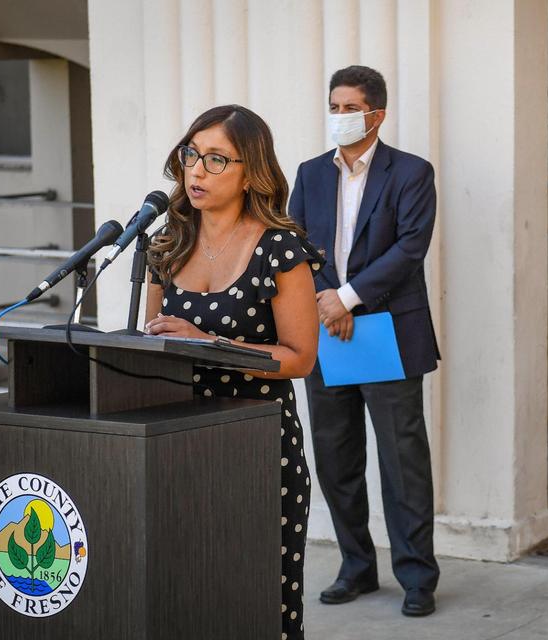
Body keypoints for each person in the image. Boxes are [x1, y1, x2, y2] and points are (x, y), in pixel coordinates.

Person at [142, 104, 323, 640]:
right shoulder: (165, 246)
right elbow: (148, 337)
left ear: (252, 173)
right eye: (191, 154)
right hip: (174, 441)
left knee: (260, 596)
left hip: (257, 446)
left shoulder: (280, 250)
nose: (196, 169)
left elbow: (299, 358)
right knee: (184, 590)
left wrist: (212, 343)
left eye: (216, 160)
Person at [289, 65, 440, 617]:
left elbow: (410, 248)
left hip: (388, 332)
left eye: (350, 107)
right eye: (334, 105)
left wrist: (347, 297)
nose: (339, 116)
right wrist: (327, 301)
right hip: (326, 333)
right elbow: (296, 246)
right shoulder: (309, 173)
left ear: (376, 113)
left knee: (403, 460)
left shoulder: (411, 173)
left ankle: (418, 577)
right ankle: (357, 567)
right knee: (336, 456)